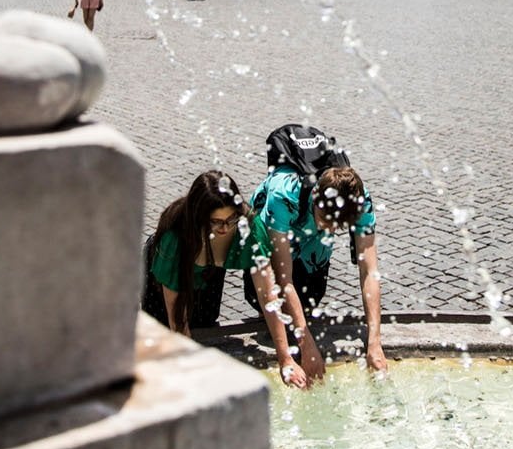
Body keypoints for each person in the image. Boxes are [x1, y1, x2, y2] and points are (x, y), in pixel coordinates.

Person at [142, 171, 322, 388]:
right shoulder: (175, 239)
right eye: (216, 222)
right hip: (163, 277)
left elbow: (268, 297)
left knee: (205, 323)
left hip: (208, 270)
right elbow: (177, 319)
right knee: (161, 338)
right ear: (198, 217)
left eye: (231, 219)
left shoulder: (249, 227)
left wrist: (286, 359)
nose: (225, 228)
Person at [243, 139, 387, 374]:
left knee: (309, 303)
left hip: (313, 253)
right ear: (315, 198)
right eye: (326, 220)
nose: (331, 229)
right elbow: (283, 279)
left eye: (339, 226)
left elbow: (370, 271)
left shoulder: (359, 201)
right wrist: (307, 345)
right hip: (275, 236)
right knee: (273, 310)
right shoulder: (283, 195)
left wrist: (375, 342)